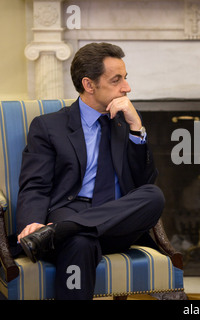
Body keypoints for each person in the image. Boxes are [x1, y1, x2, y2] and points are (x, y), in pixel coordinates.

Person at [16, 42, 164, 299]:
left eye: (125, 79)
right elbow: (35, 185)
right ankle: (66, 230)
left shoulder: (125, 122)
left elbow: (143, 182)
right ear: (89, 84)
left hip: (117, 220)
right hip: (69, 209)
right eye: (116, 80)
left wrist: (137, 129)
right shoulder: (49, 126)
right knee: (79, 242)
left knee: (153, 195)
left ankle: (62, 231)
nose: (126, 88)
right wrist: (32, 224)